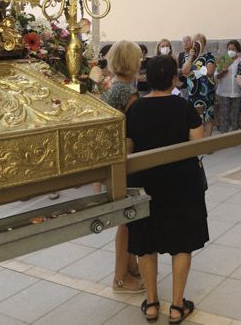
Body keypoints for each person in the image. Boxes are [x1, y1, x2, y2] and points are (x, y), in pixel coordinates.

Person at [126, 55, 207, 324]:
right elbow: (198, 144)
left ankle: (151, 303)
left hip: (144, 183)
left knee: (145, 243)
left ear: (147, 78)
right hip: (181, 183)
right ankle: (176, 307)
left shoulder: (135, 109)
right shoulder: (182, 106)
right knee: (181, 242)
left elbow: (127, 149)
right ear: (174, 78)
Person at [101, 40, 144, 293]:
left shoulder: (112, 84)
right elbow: (133, 131)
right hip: (125, 160)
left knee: (129, 218)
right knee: (126, 220)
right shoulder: (126, 91)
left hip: (116, 158)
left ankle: (131, 265)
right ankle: (120, 277)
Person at [181, 34, 216, 135]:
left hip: (206, 92)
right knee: (195, 118)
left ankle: (209, 142)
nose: (196, 45)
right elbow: (184, 71)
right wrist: (192, 56)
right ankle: (198, 140)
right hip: (193, 93)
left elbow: (210, 71)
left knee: (208, 117)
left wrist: (194, 73)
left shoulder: (208, 56)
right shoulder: (188, 57)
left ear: (204, 44)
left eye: (199, 42)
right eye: (195, 42)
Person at [214, 40, 241, 133]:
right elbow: (216, 76)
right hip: (224, 92)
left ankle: (233, 136)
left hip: (236, 92)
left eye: (233, 49)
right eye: (229, 49)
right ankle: (224, 135)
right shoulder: (223, 59)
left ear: (237, 50)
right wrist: (223, 71)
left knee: (234, 116)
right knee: (224, 116)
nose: (231, 51)